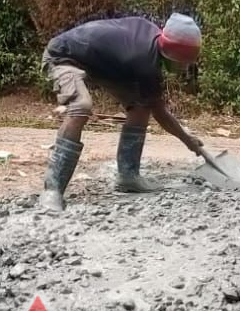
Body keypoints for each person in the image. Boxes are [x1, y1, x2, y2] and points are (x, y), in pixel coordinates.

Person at [39, 13, 206, 211]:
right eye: (184, 62)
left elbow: (151, 104)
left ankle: (128, 177)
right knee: (81, 106)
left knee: (141, 106)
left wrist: (188, 139)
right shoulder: (144, 61)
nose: (185, 67)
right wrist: (188, 140)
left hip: (104, 63)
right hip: (64, 56)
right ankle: (52, 191)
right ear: (173, 54)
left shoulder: (150, 45)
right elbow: (160, 113)